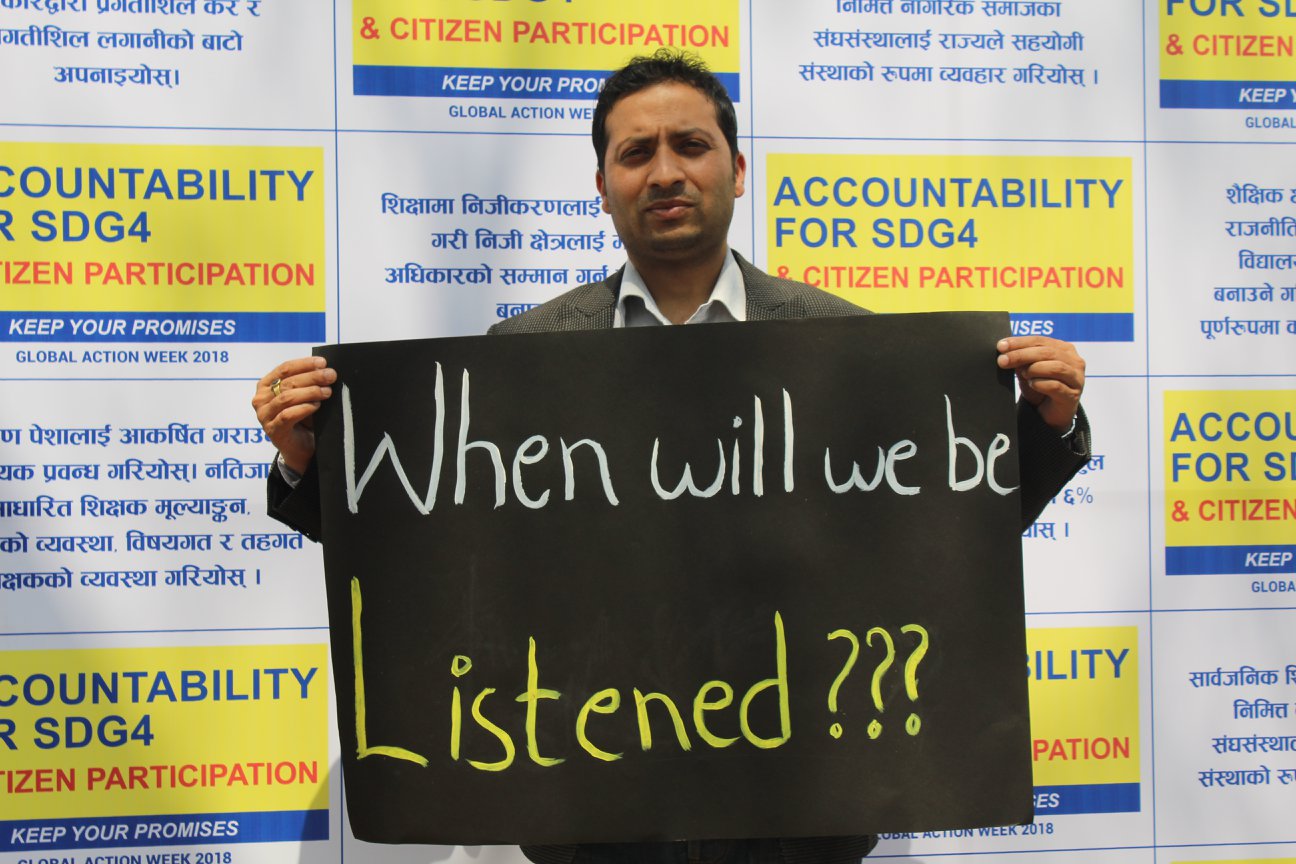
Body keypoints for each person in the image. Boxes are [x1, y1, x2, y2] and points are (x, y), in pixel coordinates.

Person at [254, 49, 1089, 864]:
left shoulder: (848, 347)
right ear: (602, 186)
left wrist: (1042, 428)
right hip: (595, 826)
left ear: (737, 168)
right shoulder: (521, 354)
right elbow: (435, 560)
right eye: (635, 153)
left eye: (690, 145)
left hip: (799, 827)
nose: (664, 172)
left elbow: (937, 542)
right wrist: (307, 464)